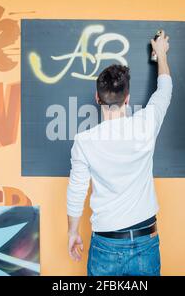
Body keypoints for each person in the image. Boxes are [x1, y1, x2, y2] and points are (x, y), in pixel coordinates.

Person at [66, 30, 172, 276]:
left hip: (106, 245)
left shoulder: (84, 142)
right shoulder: (145, 125)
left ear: (97, 98)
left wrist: (72, 232)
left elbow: (76, 191)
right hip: (147, 241)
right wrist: (162, 55)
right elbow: (164, 90)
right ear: (127, 99)